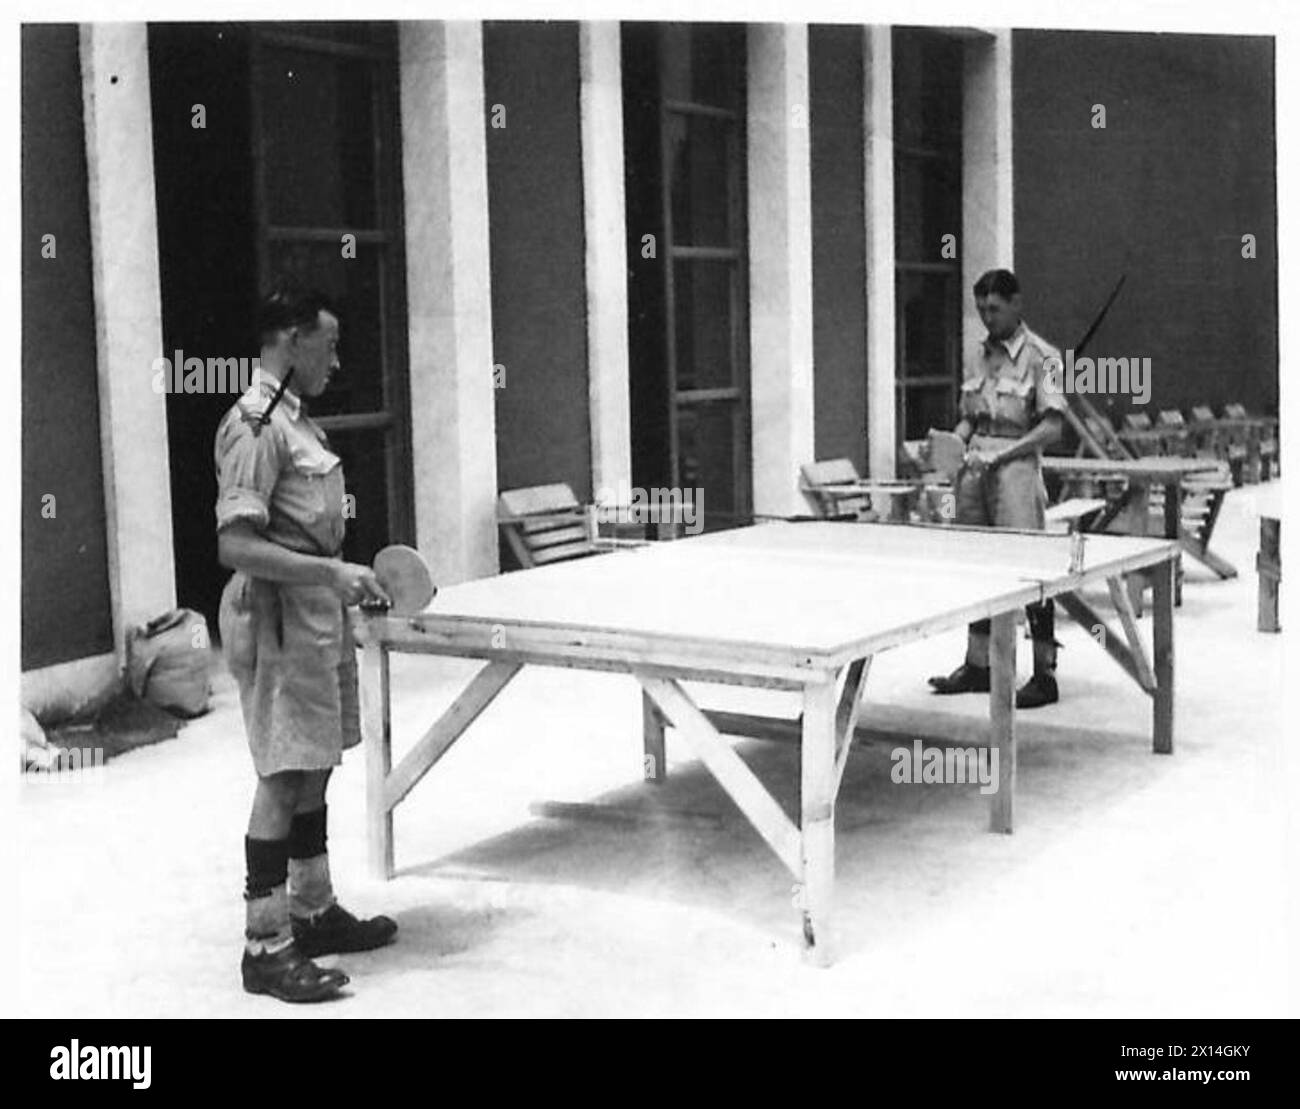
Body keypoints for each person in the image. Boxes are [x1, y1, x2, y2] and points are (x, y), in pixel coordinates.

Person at [215, 282, 397, 1003]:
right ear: (291, 341)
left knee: (315, 763)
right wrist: (329, 570)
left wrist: (340, 581)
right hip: (278, 621)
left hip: (315, 619)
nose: (336, 359)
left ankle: (313, 911)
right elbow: (235, 544)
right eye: (328, 344)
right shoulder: (255, 424)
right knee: (282, 775)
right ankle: (265, 947)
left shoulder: (297, 422)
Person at [928, 268, 1068, 709]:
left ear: (1016, 304)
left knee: (1028, 567)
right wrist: (952, 441)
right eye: (981, 309)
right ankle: (977, 666)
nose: (988, 317)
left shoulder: (1044, 358)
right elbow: (972, 415)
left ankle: (1044, 674)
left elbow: (1052, 427)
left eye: (995, 308)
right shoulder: (978, 356)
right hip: (975, 471)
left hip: (1016, 468)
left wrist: (1004, 456)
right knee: (978, 565)